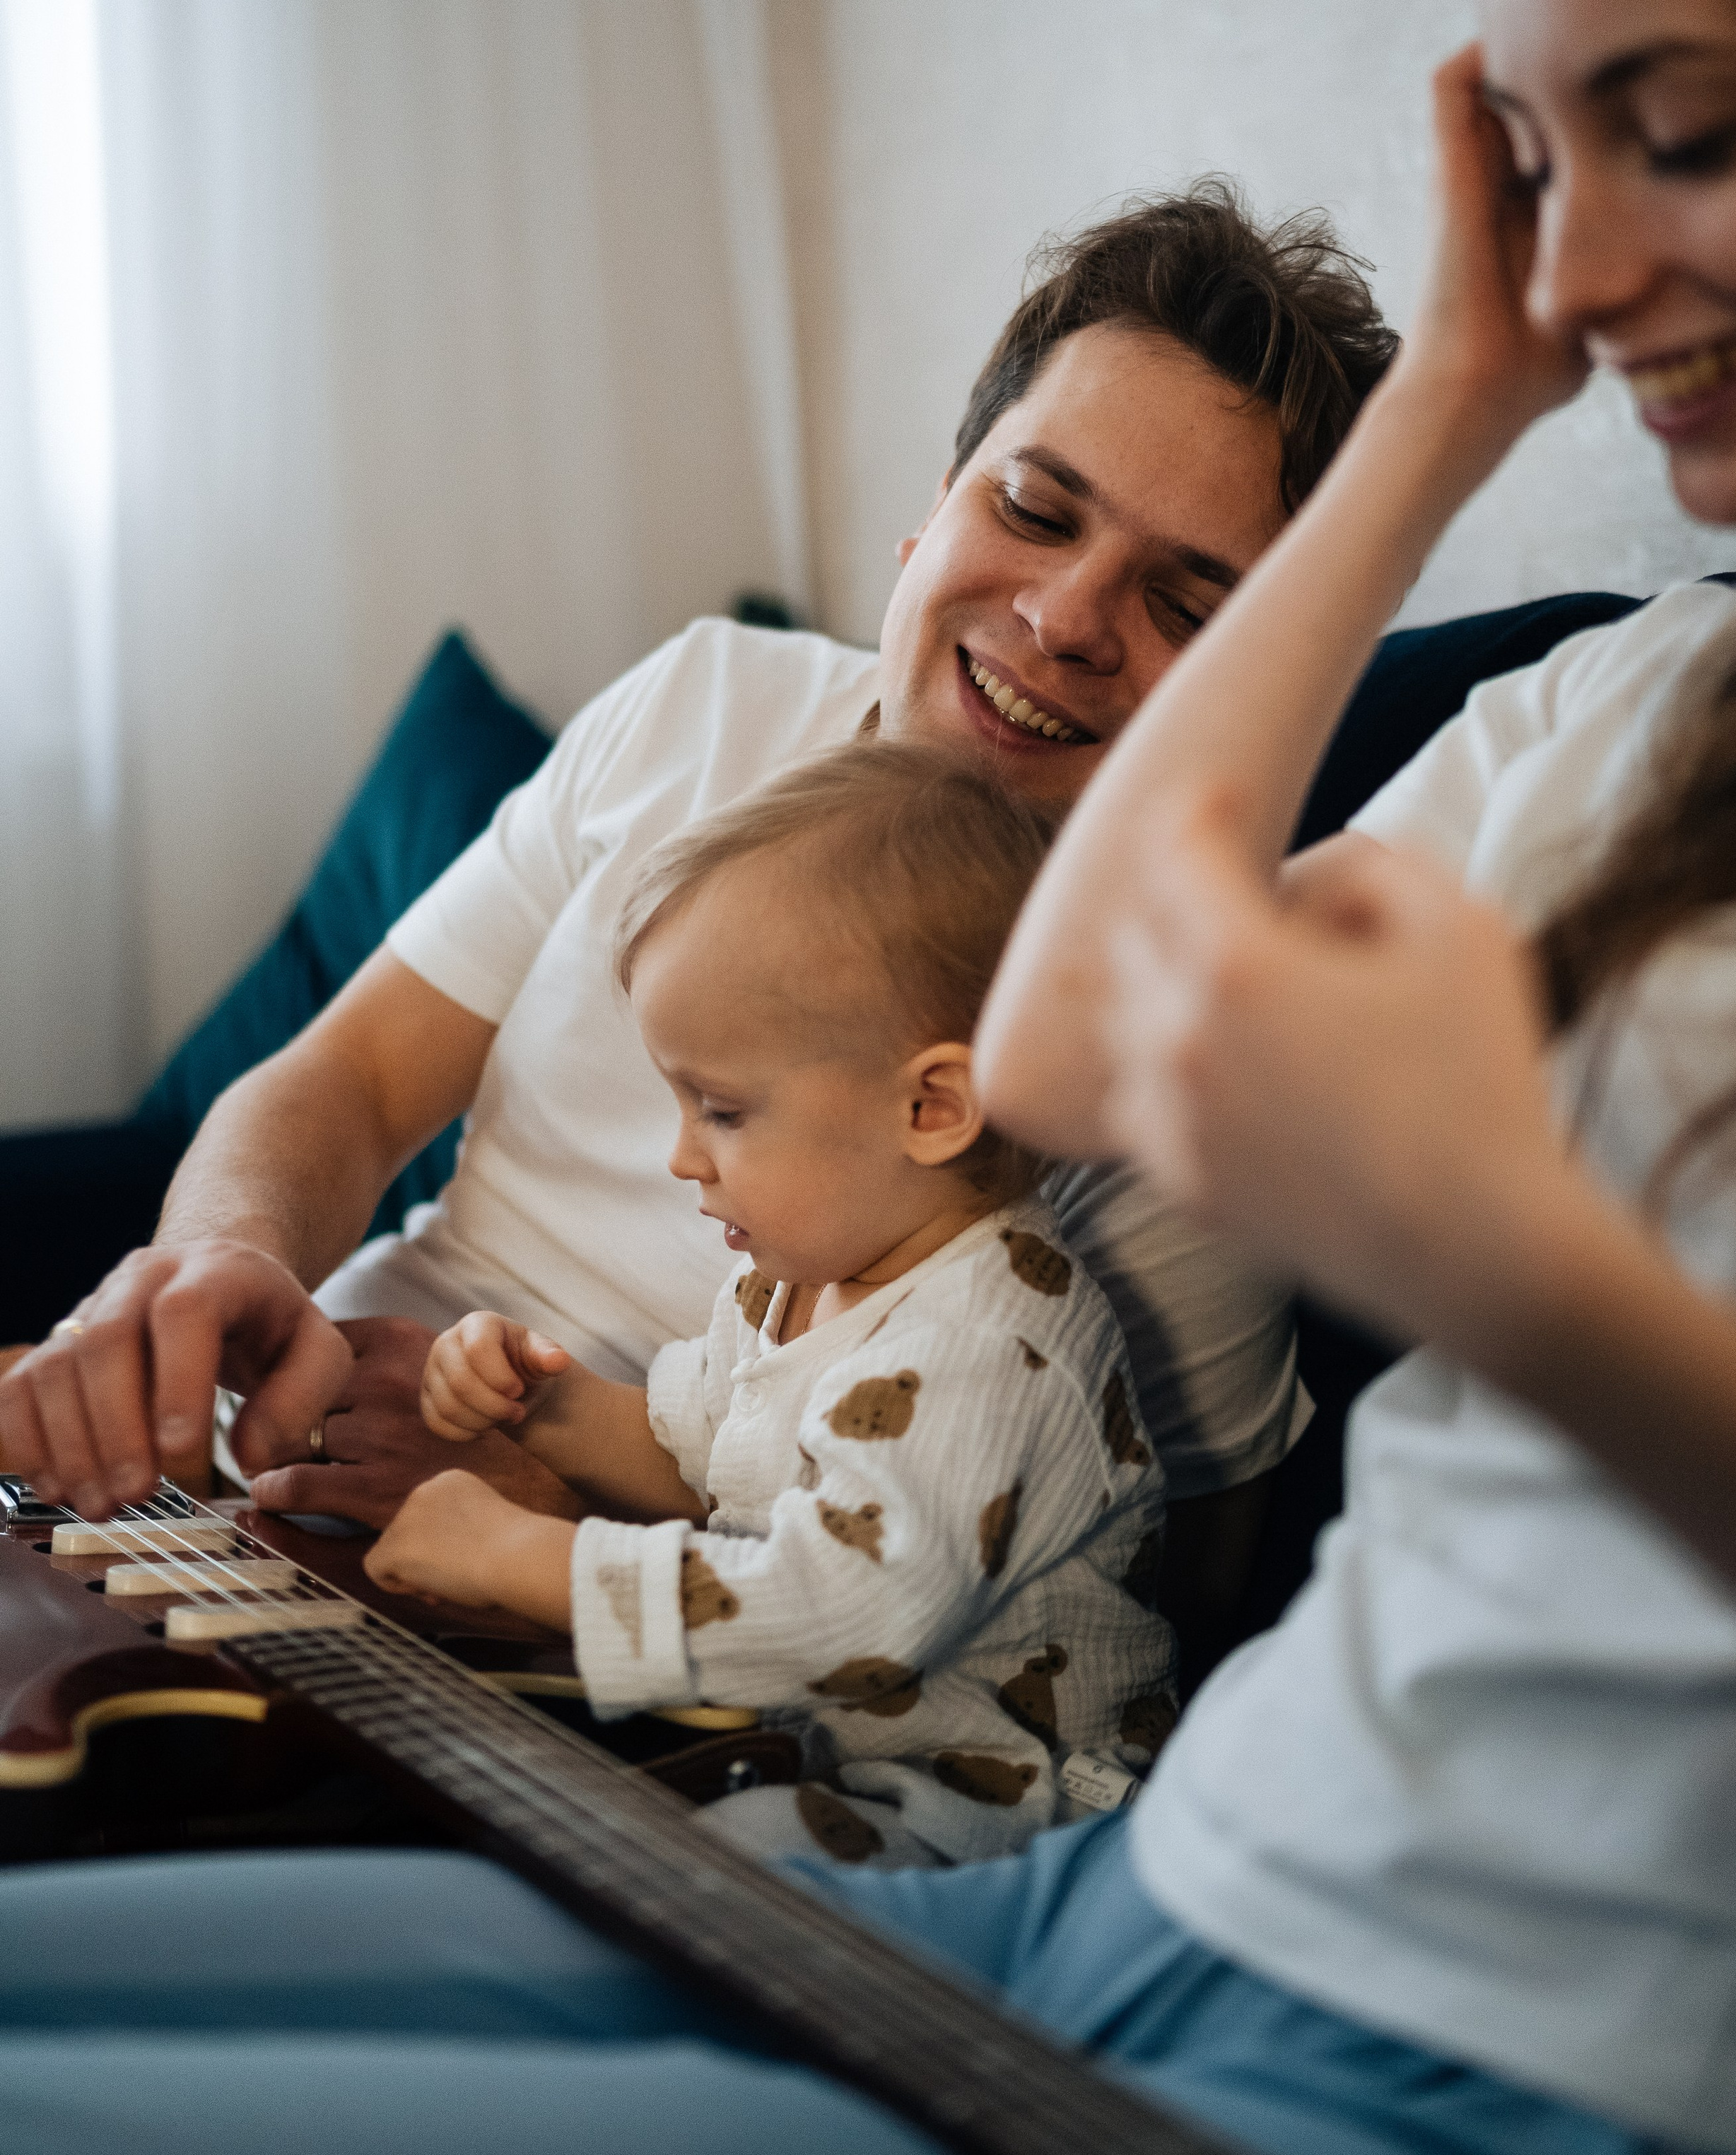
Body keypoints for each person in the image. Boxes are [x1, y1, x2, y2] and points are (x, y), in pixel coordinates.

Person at [10, 0, 1736, 2155]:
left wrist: (1488, 1253)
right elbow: (1030, 1026)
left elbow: (1027, 1245)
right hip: (1142, 1895)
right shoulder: (1624, 700)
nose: (1578, 269)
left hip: (1455, 2039)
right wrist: (1462, 372)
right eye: (1552, 165)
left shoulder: (1136, 1152)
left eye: (1680, 130)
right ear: (931, 489)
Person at [0, 188, 1395, 1561]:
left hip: (601, 1645)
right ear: (933, 511)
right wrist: (228, 1253)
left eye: (1182, 606)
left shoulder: (1198, 1057)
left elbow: (1149, 1597)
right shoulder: (706, 696)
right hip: (249, 1463)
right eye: (1034, 510)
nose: (1066, 617)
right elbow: (353, 1079)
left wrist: (559, 1520)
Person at [365, 742, 1174, 1867]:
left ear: (933, 1108)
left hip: (1002, 1814)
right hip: (816, 1760)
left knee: (668, 1854)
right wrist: (541, 1408)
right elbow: (704, 1462)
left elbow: (843, 1615)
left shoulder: (995, 1345)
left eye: (723, 1111)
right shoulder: (800, 1276)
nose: (681, 1157)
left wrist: (523, 1559)